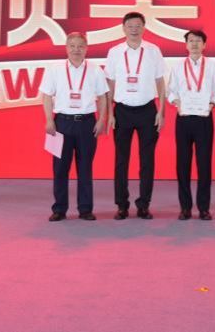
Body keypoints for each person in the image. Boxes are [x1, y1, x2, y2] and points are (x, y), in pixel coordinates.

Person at [40, 32, 109, 221]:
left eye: (80, 46)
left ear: (86, 49)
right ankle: (59, 209)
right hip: (62, 123)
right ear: (66, 48)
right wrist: (49, 120)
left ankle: (85, 209)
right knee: (60, 168)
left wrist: (101, 120)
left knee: (85, 167)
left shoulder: (95, 70)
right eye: (72, 46)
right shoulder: (54, 69)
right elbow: (46, 96)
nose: (76, 50)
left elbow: (102, 97)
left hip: (87, 123)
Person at [105, 12, 167, 220]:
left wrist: (161, 111)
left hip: (147, 110)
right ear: (123, 28)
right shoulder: (114, 52)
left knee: (147, 160)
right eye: (130, 25)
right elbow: (110, 83)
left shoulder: (153, 51)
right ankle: (122, 205)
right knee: (121, 160)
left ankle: (144, 205)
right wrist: (110, 113)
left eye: (138, 25)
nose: (134, 29)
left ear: (144, 28)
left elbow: (160, 82)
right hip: (122, 111)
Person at [167, 29, 215, 220]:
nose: (194, 44)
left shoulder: (213, 66)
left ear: (204, 45)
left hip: (203, 118)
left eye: (198, 41)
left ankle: (204, 208)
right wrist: (177, 102)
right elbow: (171, 91)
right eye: (191, 41)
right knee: (182, 163)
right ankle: (185, 207)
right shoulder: (177, 67)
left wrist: (211, 104)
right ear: (186, 44)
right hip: (183, 118)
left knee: (204, 163)